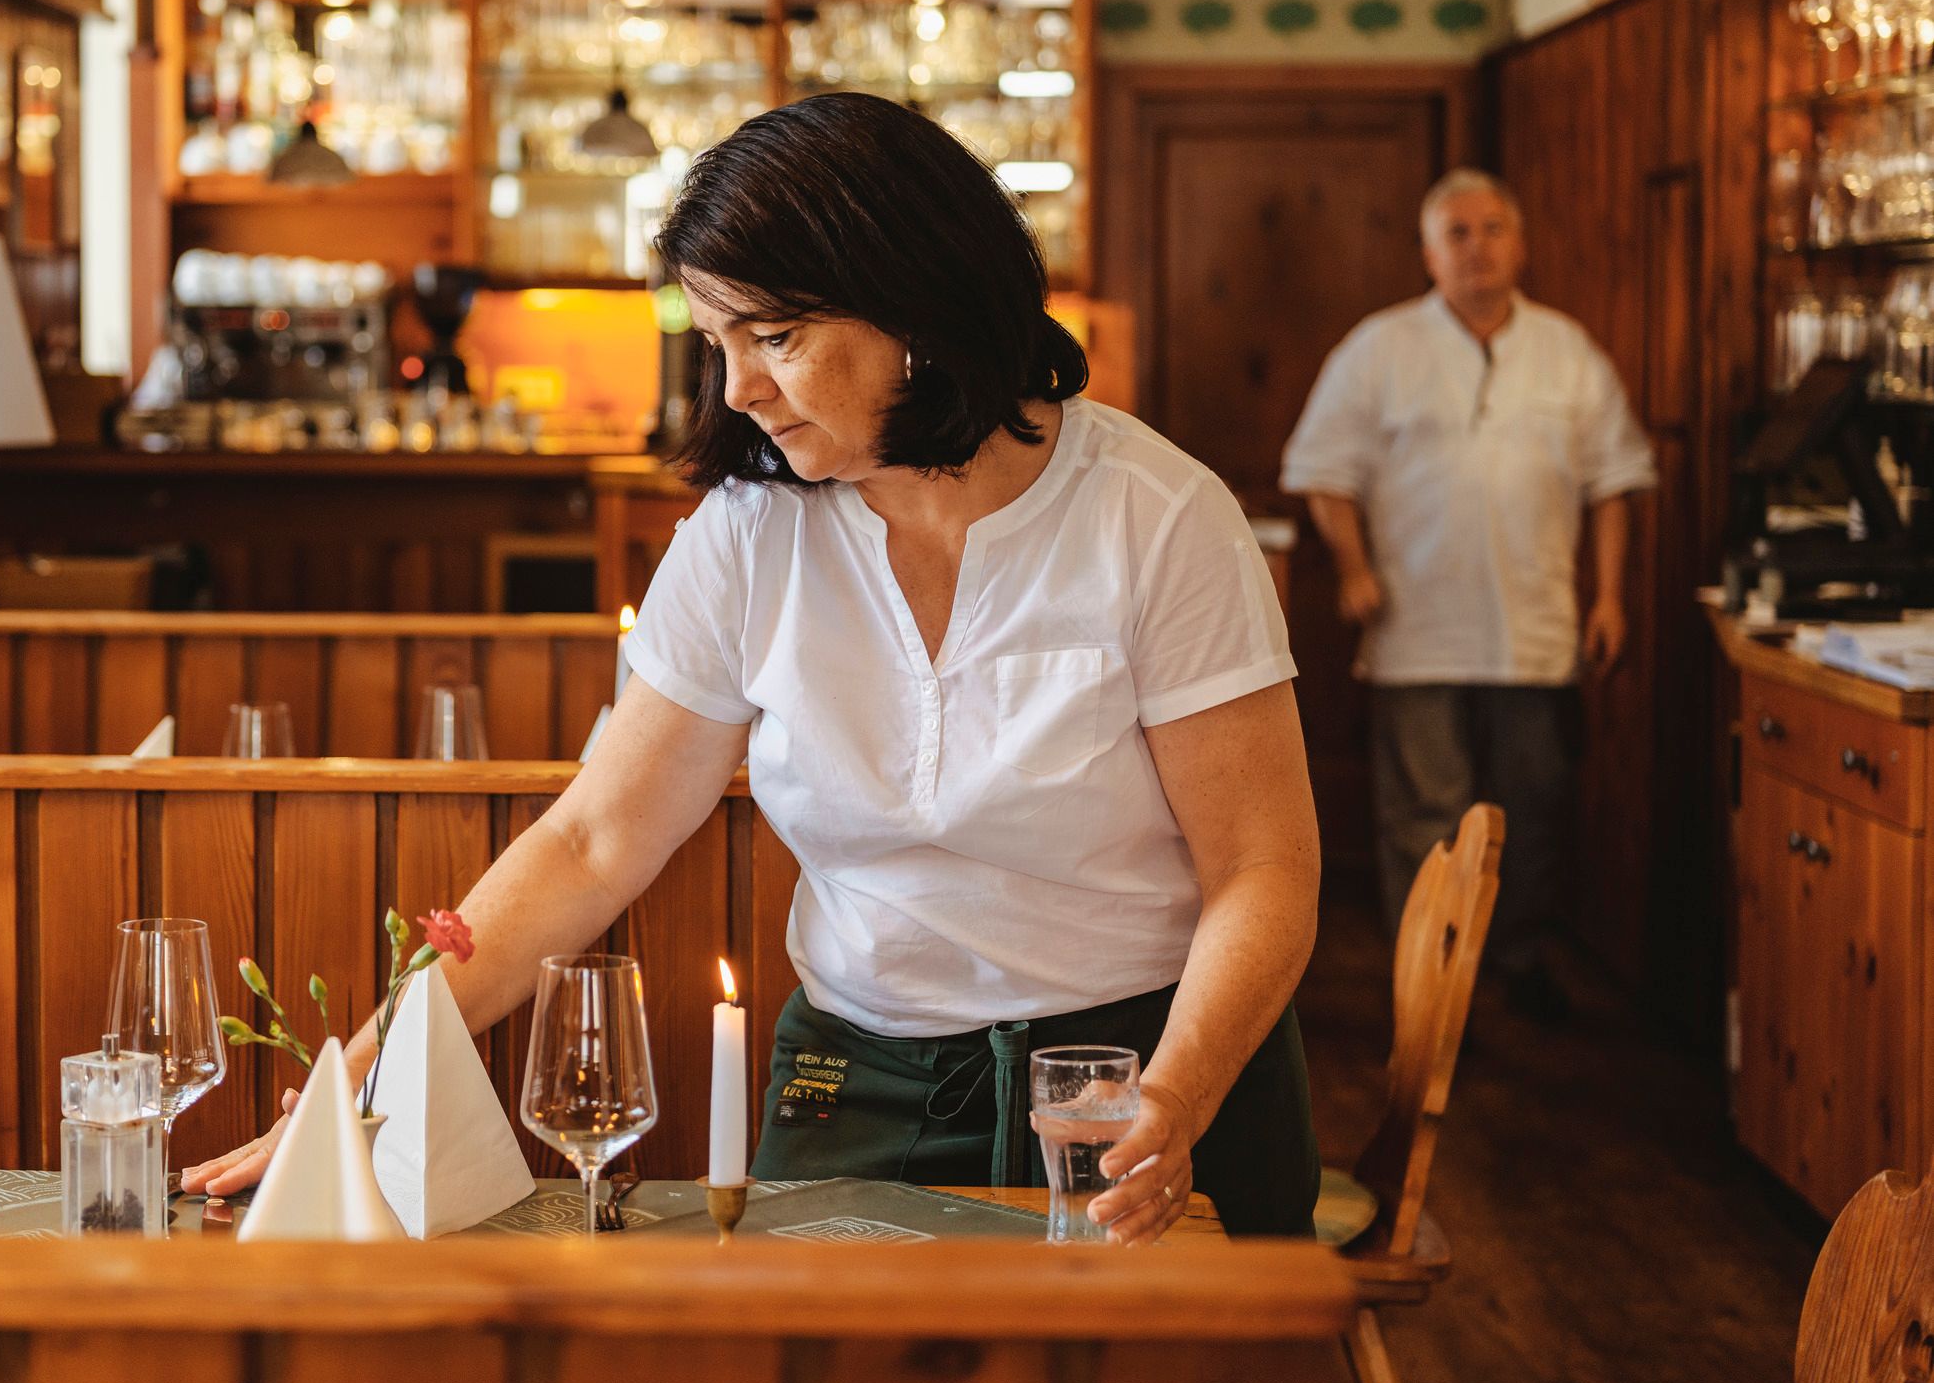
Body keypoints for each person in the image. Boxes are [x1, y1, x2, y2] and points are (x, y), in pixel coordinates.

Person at [185, 93, 1321, 1239]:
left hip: (1142, 1067)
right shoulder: (745, 531)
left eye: (772, 337)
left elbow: (1260, 869)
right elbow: (590, 842)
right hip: (857, 1078)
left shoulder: (1158, 516)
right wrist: (363, 1078)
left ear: (914, 301)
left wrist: (1169, 1099)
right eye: (716, 341)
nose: (736, 390)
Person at [1280, 168, 1654, 1021]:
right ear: (1427, 252)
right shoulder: (1378, 348)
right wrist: (1353, 568)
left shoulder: (1569, 349)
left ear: (1520, 243)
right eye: (1457, 232)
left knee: (1535, 809)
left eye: (1493, 229)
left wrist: (1612, 598)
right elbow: (1322, 472)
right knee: (1425, 818)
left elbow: (1616, 482)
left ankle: (1517, 963)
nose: (1477, 247)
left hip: (1538, 625)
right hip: (1419, 627)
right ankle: (1432, 986)